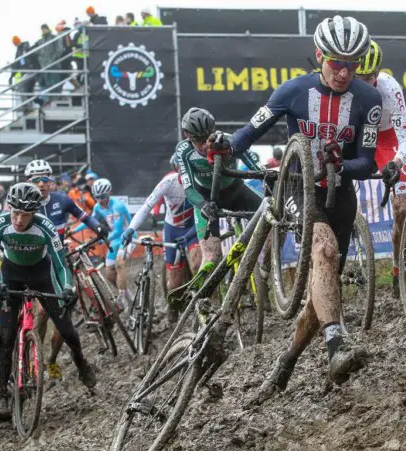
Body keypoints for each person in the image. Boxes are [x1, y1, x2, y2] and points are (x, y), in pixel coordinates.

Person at [213, 16, 381, 400]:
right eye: (337, 62)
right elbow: (248, 133)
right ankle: (337, 346)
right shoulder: (293, 91)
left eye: (352, 65)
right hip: (298, 187)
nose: (344, 72)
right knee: (323, 251)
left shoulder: (369, 100)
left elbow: (367, 161)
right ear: (320, 56)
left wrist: (340, 165)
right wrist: (225, 145)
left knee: (325, 288)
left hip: (340, 191)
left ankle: (285, 363)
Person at [0, 183, 96, 420]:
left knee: (67, 329)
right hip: (11, 275)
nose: (18, 219)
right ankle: (2, 395)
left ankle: (81, 363)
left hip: (41, 275)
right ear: (9, 208)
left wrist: (67, 287)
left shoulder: (45, 227)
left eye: (25, 215)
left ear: (34, 213)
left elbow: (60, 264)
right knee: (5, 337)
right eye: (15, 212)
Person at [25, 160, 106, 380]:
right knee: (41, 314)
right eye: (36, 180)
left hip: (59, 265)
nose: (42, 184)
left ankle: (51, 360)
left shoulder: (61, 200)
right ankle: (34, 359)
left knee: (62, 320)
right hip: (35, 267)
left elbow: (84, 216)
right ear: (28, 182)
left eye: (46, 179)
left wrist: (98, 226)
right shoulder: (24, 204)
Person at [356, 39, 406, 299]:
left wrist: (398, 162)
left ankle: (397, 267)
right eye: (360, 78)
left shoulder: (390, 87)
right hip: (359, 138)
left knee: (401, 206)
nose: (364, 84)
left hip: (388, 139)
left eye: (370, 78)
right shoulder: (345, 88)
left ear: (377, 74)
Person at [176, 107, 263, 272]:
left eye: (206, 139)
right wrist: (202, 205)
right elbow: (188, 188)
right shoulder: (184, 151)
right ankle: (201, 295)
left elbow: (257, 168)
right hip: (206, 199)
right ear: (187, 136)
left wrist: (270, 179)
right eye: (198, 141)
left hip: (236, 192)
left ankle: (265, 266)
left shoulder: (228, 141)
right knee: (212, 257)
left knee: (270, 212)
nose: (203, 146)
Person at [121, 170, 201, 324]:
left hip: (193, 227)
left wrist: (190, 234)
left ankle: (201, 301)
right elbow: (147, 205)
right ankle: (173, 305)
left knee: (198, 264)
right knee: (174, 281)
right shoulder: (169, 182)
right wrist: (131, 228)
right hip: (173, 229)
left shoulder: (200, 180)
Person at [69, 179, 132, 307]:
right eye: (96, 197)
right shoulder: (98, 207)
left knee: (119, 264)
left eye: (103, 197)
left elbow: (119, 231)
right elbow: (90, 221)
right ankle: (127, 294)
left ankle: (122, 295)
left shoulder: (117, 206)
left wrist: (100, 241)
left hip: (128, 237)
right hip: (114, 240)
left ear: (109, 193)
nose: (99, 200)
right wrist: (73, 230)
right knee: (109, 274)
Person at [10, 36, 40, 109]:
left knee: (21, 85)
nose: (16, 44)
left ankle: (25, 106)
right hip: (25, 73)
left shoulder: (25, 46)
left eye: (16, 43)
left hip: (31, 71)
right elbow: (16, 64)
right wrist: (11, 76)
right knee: (29, 93)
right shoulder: (18, 52)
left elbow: (29, 51)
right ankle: (39, 102)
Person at [37, 24, 62, 104]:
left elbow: (59, 50)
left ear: (48, 29)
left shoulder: (54, 38)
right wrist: (41, 61)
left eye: (45, 29)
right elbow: (40, 52)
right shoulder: (41, 41)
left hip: (53, 65)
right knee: (48, 83)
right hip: (45, 66)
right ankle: (50, 99)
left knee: (54, 82)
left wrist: (52, 59)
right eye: (42, 29)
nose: (43, 31)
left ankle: (56, 99)